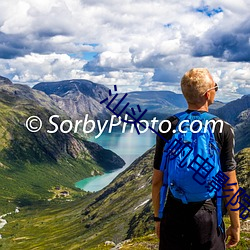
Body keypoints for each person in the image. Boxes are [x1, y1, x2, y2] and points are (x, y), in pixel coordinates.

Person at [152, 68, 240, 250]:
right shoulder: (223, 129)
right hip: (207, 215)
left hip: (174, 212)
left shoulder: (168, 125)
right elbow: (230, 184)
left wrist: (158, 218)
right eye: (216, 87)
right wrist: (235, 225)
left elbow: (157, 181)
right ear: (208, 94)